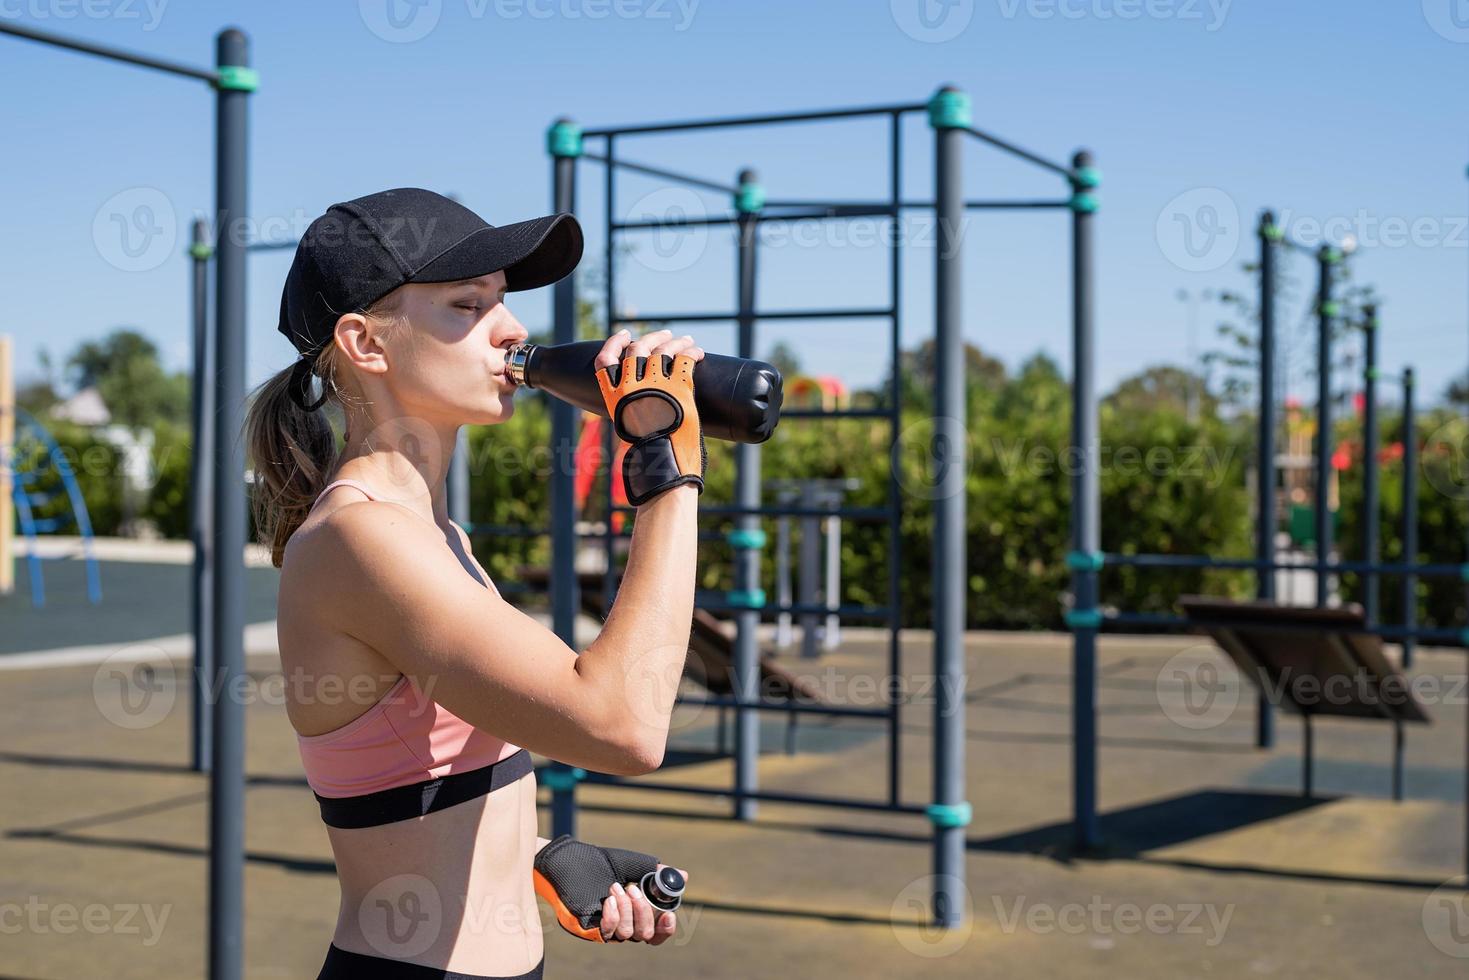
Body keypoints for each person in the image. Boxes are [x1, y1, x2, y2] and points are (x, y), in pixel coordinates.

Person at [245, 188, 703, 979]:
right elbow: (623, 726)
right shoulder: (363, 538)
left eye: (503, 302)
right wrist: (668, 472)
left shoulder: (431, 535)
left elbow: (405, 794)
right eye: (468, 304)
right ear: (365, 342)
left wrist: (543, 855)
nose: (514, 329)